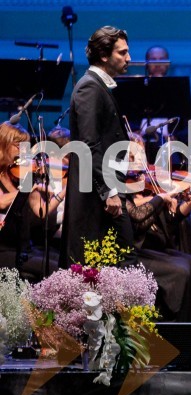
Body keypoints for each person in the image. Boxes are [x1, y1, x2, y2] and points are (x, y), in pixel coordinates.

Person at [61, 25, 134, 267]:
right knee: (122, 263)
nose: (128, 58)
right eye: (122, 52)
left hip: (103, 192)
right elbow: (89, 144)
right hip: (97, 196)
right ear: (103, 55)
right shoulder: (90, 87)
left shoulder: (98, 86)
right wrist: (109, 191)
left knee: (119, 264)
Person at [125, 134, 191, 321]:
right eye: (133, 156)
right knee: (183, 271)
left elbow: (173, 219)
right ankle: (180, 323)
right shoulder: (124, 191)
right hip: (142, 250)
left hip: (161, 248)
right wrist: (157, 200)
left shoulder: (151, 184)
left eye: (141, 154)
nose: (140, 160)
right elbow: (137, 219)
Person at [0, 121, 62, 279]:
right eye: (18, 145)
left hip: (25, 248)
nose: (23, 151)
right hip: (4, 250)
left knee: (65, 261)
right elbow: (1, 201)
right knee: (57, 269)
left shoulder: (22, 176)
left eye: (25, 146)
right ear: (3, 144)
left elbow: (42, 213)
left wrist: (61, 193)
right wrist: (26, 190)